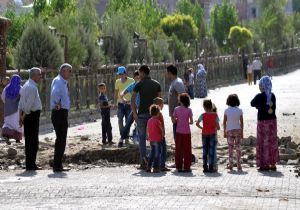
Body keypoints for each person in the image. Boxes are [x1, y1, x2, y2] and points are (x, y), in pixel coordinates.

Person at [132, 65, 161, 170]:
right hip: (154, 116)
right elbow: (160, 101)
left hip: (142, 115)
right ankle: (156, 163)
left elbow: (132, 99)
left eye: (139, 72)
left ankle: (144, 162)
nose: (138, 75)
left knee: (142, 139)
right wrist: (158, 114)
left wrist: (135, 113)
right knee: (155, 139)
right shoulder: (157, 84)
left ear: (142, 72)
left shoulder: (138, 84)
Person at [251, 76, 279, 171]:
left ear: (262, 86)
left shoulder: (259, 96)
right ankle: (273, 164)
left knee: (263, 142)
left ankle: (264, 165)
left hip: (262, 122)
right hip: (272, 122)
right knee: (272, 142)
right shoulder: (273, 96)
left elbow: (252, 103)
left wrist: (259, 106)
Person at [19, 67, 42, 171]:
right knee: (33, 141)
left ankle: (30, 164)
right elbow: (28, 106)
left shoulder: (25, 85)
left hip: (27, 115)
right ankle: (31, 164)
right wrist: (23, 117)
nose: (40, 77)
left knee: (29, 140)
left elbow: (20, 103)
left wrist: (21, 117)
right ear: (34, 75)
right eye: (39, 75)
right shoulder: (32, 87)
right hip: (31, 115)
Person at [50, 63, 72, 172]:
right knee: (61, 139)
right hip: (59, 113)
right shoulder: (59, 81)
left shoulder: (61, 81)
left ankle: (58, 164)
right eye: (69, 71)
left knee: (61, 139)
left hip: (60, 112)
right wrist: (57, 104)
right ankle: (57, 165)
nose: (70, 73)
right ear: (64, 71)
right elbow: (54, 93)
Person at [196, 99, 220, 173]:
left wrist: (202, 128)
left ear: (204, 107)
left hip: (204, 134)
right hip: (212, 134)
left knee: (204, 150)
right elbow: (218, 127)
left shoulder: (202, 115)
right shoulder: (215, 115)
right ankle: (211, 167)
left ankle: (205, 167)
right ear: (211, 106)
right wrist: (214, 126)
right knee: (211, 150)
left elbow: (197, 123)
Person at [118, 70, 140, 147]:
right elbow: (122, 93)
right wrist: (123, 98)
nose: (138, 79)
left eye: (139, 77)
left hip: (143, 108)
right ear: (134, 78)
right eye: (136, 77)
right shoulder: (132, 86)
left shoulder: (143, 85)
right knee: (128, 123)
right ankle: (121, 139)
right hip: (135, 108)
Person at [173, 93, 193, 173]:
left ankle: (179, 166)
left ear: (180, 100)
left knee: (178, 149)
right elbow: (191, 122)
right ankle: (187, 167)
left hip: (178, 132)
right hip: (187, 132)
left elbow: (174, 120)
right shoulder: (189, 110)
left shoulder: (176, 109)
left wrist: (178, 120)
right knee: (187, 149)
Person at [223, 94, 244, 171]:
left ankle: (231, 165)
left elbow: (224, 122)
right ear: (237, 101)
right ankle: (239, 165)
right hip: (238, 130)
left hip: (229, 131)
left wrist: (224, 132)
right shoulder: (240, 110)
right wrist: (242, 132)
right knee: (238, 147)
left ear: (228, 101)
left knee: (230, 148)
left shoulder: (226, 111)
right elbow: (241, 122)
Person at [114, 66, 134, 141]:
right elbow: (116, 93)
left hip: (129, 104)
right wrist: (114, 102)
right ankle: (122, 135)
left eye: (122, 74)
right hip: (120, 104)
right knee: (120, 120)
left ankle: (127, 135)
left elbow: (133, 92)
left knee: (127, 120)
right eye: (119, 74)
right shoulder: (117, 82)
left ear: (125, 73)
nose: (120, 76)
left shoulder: (131, 81)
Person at [1, 74, 23, 145]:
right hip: (17, 110)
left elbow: (2, 97)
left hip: (8, 109)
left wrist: (7, 103)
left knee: (8, 123)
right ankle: (17, 140)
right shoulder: (20, 88)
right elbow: (23, 98)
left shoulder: (6, 88)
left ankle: (6, 135)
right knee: (18, 124)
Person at [166, 64, 186, 140]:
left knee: (179, 136)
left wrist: (178, 114)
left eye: (167, 73)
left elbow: (183, 98)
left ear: (170, 73)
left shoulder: (177, 82)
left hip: (178, 116)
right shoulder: (174, 82)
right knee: (177, 135)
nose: (166, 75)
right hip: (175, 115)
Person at [153, 97, 169, 171]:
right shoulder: (160, 114)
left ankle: (156, 165)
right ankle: (162, 165)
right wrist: (163, 134)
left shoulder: (153, 114)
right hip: (161, 136)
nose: (163, 106)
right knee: (163, 151)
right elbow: (161, 126)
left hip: (155, 136)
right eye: (162, 104)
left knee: (156, 151)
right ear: (159, 105)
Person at [146, 104, 163, 173]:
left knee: (152, 153)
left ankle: (148, 166)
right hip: (157, 139)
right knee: (157, 154)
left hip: (151, 139)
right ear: (158, 112)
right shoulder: (157, 121)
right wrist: (162, 136)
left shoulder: (149, 121)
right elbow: (160, 130)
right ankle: (156, 168)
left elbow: (147, 129)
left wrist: (148, 136)